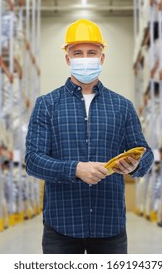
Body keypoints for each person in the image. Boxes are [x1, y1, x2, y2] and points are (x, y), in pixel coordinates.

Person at [25, 19, 153, 254]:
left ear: (102, 58)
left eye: (92, 52)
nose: (85, 58)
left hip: (109, 225)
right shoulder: (47, 105)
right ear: (68, 59)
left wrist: (135, 165)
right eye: (78, 53)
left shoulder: (122, 106)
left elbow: (146, 154)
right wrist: (75, 169)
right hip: (62, 225)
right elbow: (33, 161)